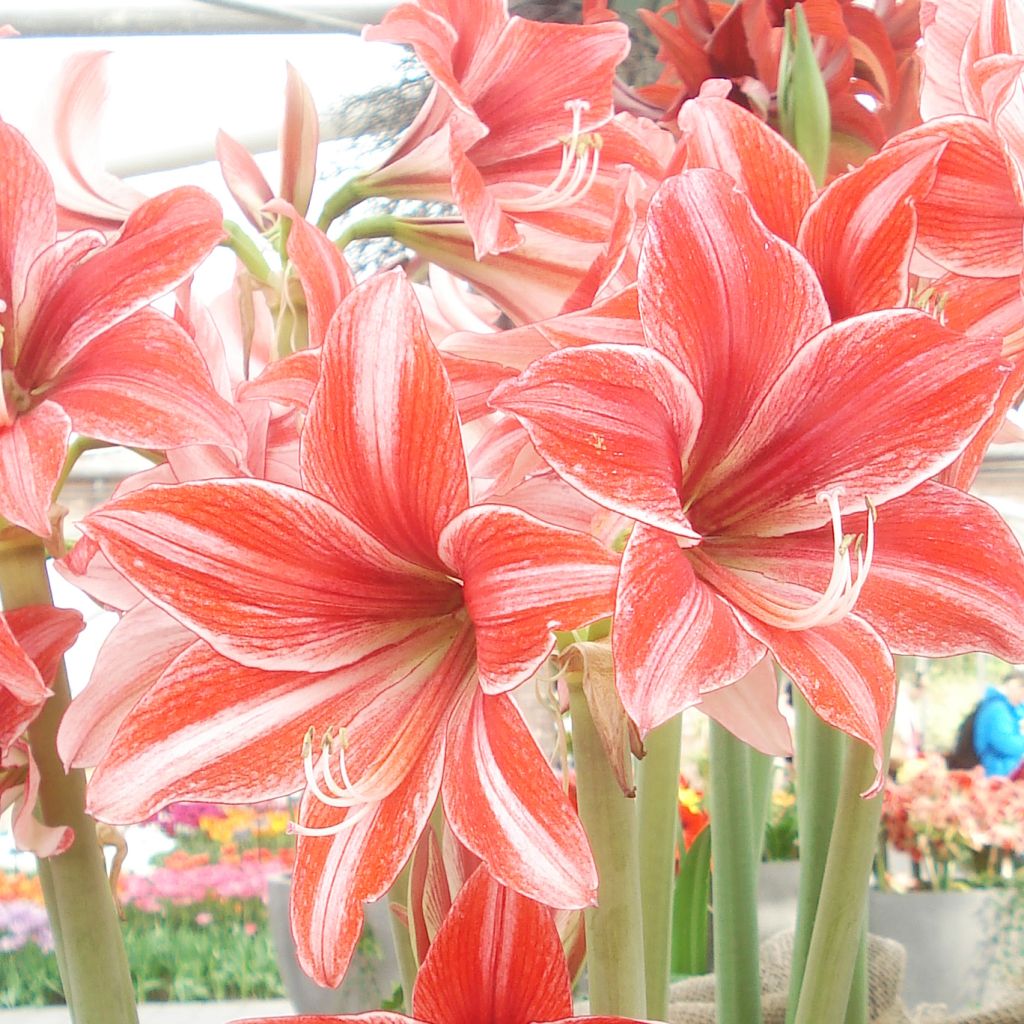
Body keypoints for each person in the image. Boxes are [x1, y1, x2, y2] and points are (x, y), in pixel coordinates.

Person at [974, 670, 1024, 777]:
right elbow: (1005, 743)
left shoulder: (1010, 709)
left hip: (1007, 770)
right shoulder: (997, 710)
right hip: (999, 772)